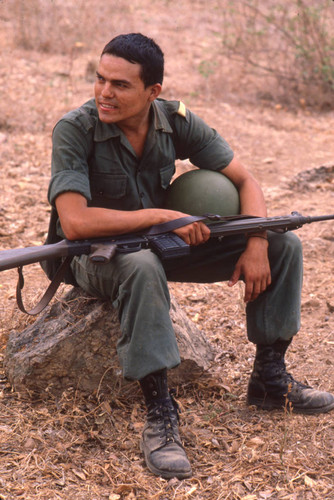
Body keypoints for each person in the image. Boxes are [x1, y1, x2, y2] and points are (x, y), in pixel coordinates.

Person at [48, 33, 334, 479]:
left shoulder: (173, 119)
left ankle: (269, 379)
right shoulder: (76, 128)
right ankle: (160, 412)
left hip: (161, 243)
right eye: (100, 79)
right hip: (94, 254)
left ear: (152, 92)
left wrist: (257, 241)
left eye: (120, 85)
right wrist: (165, 215)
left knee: (284, 245)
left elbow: (245, 180)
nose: (105, 92)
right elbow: (75, 223)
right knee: (140, 267)